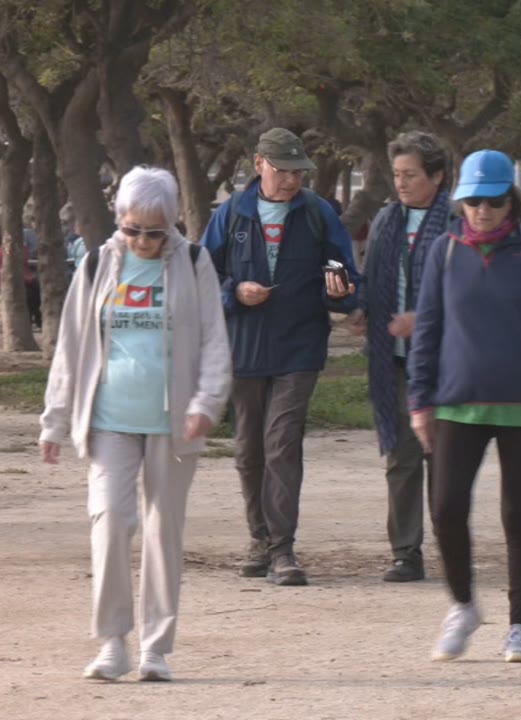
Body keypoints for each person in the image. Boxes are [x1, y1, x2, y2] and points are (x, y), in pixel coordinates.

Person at [39, 166, 231, 682]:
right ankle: (112, 643)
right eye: (133, 229)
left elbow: (215, 338)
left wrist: (206, 402)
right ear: (119, 221)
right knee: (111, 522)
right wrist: (55, 419)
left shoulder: (194, 262)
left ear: (172, 225)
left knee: (162, 534)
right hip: (109, 419)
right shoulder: (98, 263)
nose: (144, 240)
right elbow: (71, 345)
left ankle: (156, 649)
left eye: (155, 231)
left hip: (173, 426)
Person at [407, 149, 521, 663]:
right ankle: (462, 605)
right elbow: (428, 327)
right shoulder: (444, 250)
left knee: (518, 514)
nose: (483, 210)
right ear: (460, 201)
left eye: (494, 200)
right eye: (473, 201)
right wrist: (419, 397)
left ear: (512, 200)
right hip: (456, 401)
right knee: (445, 508)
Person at [200, 127, 361, 587]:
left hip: (299, 348)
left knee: (281, 444)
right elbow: (202, 277)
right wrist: (236, 292)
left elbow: (344, 273)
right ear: (258, 165)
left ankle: (283, 551)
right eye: (283, 171)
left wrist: (344, 291)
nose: (291, 181)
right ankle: (259, 541)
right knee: (249, 451)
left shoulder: (318, 214)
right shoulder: (230, 215)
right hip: (244, 350)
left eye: (298, 172)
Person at [350, 131, 452, 583]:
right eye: (397, 174)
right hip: (391, 358)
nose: (402, 183)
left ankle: (452, 545)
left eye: (411, 174)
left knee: (444, 457)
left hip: (445, 361)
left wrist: (426, 318)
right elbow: (373, 280)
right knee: (401, 457)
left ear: (437, 175)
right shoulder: (388, 220)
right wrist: (361, 309)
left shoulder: (456, 222)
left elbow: (465, 289)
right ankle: (406, 552)